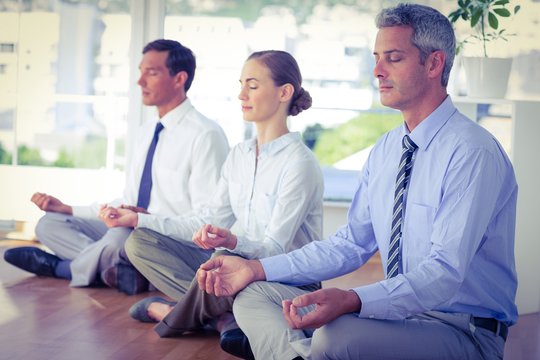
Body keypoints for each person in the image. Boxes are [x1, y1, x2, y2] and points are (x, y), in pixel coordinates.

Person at [196, 4, 518, 360]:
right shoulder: (387, 149)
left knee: (337, 335)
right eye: (376, 58)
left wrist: (353, 299)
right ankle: (299, 353)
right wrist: (255, 268)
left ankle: (296, 348)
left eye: (393, 58)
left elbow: (443, 274)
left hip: (461, 330)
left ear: (433, 64)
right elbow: (350, 244)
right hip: (401, 318)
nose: (377, 71)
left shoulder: (472, 152)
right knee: (255, 294)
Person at [100, 49, 323, 355]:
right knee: (140, 242)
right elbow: (204, 219)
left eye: (253, 86)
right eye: (241, 84)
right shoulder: (239, 155)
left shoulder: (300, 163)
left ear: (284, 92)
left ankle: (172, 315)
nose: (241, 94)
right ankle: (221, 317)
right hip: (237, 265)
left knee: (227, 267)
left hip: (285, 277)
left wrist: (232, 241)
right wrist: (138, 220)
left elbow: (276, 249)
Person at [4, 39, 229, 295]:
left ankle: (63, 269)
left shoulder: (206, 135)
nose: (140, 81)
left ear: (179, 79)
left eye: (151, 73)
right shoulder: (146, 132)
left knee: (118, 239)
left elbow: (207, 220)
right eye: (140, 71)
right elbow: (129, 199)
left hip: (166, 239)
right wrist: (68, 208)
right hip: (133, 225)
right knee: (49, 224)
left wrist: (145, 219)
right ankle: (119, 270)